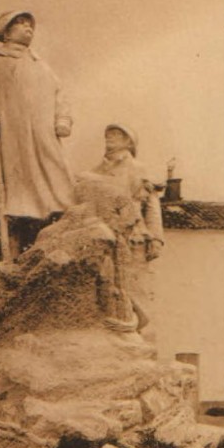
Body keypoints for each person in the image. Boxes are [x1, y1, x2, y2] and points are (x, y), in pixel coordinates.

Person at [0, 10, 75, 258]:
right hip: (10, 137)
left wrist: (63, 119)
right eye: (21, 23)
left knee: (55, 185)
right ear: (7, 31)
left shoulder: (41, 65)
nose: (28, 28)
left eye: (30, 24)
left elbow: (60, 94)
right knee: (15, 191)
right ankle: (13, 250)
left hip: (43, 138)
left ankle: (53, 238)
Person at [75, 123, 164, 331]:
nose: (110, 137)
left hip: (135, 234)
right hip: (105, 233)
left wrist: (157, 239)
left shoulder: (139, 169)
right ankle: (116, 326)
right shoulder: (95, 171)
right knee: (109, 282)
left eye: (116, 134)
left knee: (135, 283)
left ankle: (135, 325)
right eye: (108, 134)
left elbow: (151, 207)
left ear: (129, 141)